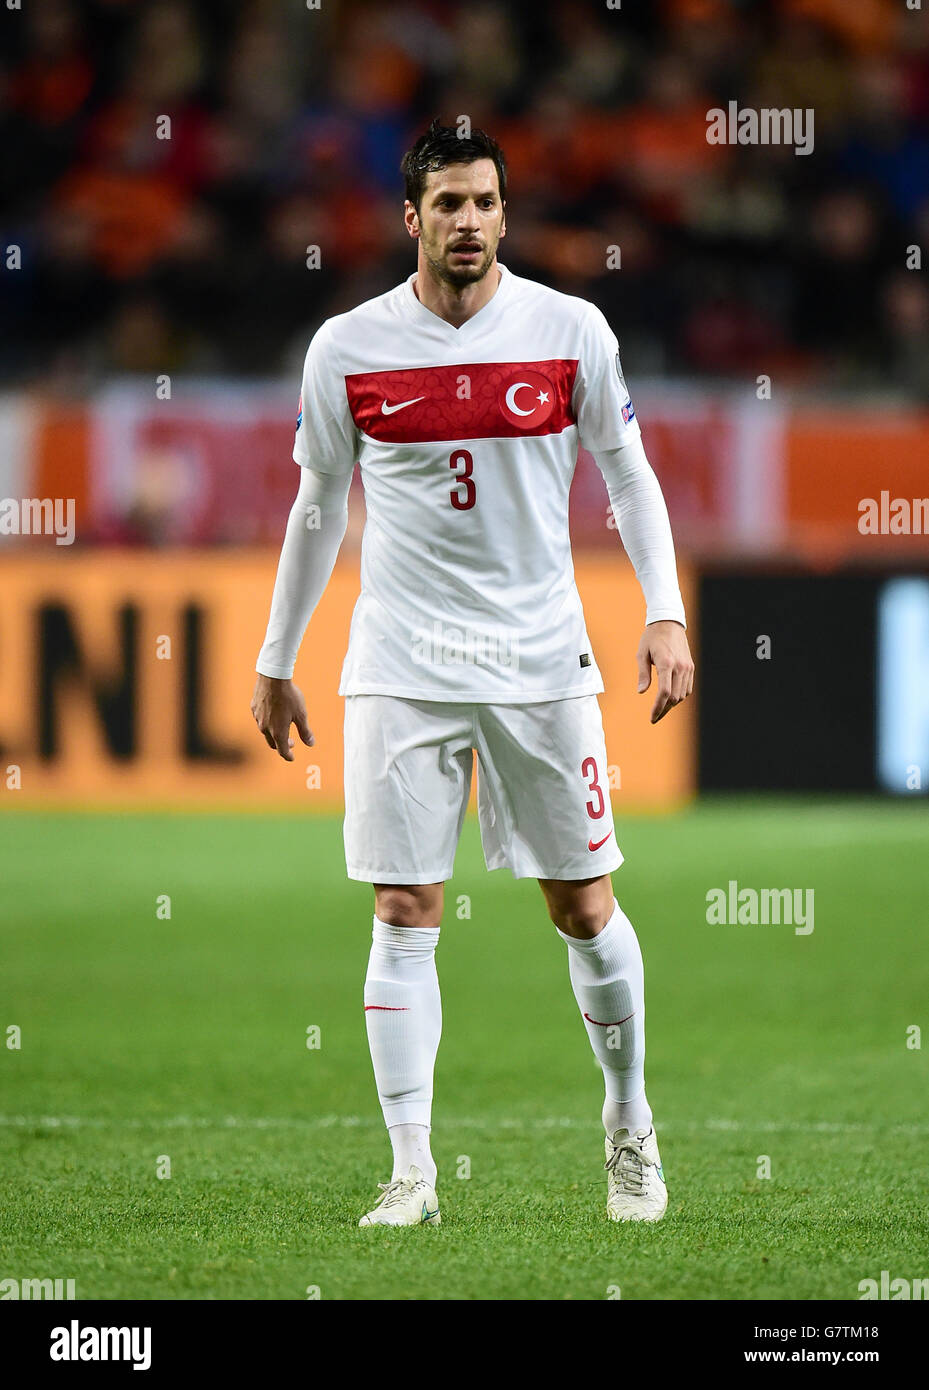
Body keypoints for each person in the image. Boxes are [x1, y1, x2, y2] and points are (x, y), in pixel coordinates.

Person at [251, 119, 694, 1227]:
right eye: (446, 204)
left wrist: (664, 611)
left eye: (483, 203)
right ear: (410, 218)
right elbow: (316, 508)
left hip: (541, 659)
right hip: (399, 659)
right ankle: (412, 1172)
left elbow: (627, 478)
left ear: (504, 212)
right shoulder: (347, 348)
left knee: (582, 906)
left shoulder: (568, 329)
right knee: (403, 908)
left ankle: (628, 1126)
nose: (467, 222)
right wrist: (274, 655)